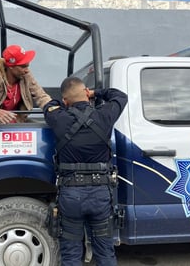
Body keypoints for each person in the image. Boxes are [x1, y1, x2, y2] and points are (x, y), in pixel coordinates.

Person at [44, 76, 127, 266]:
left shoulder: (59, 118)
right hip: (100, 194)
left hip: (71, 196)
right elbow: (120, 96)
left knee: (71, 254)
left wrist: (62, 101)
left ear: (66, 101)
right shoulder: (105, 115)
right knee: (105, 253)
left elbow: (49, 105)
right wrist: (95, 92)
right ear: (86, 94)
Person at [0, 44, 51, 123]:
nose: (27, 70)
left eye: (27, 66)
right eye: (23, 66)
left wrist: (54, 109)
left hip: (19, 123)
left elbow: (41, 96)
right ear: (11, 66)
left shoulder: (26, 75)